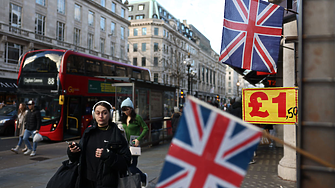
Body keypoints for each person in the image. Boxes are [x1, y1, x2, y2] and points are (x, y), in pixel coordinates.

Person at [67, 101, 131, 188]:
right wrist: (73, 151)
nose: (101, 116)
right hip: (86, 181)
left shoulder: (116, 135)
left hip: (107, 183)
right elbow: (78, 158)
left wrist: (107, 155)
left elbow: (125, 162)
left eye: (104, 113)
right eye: (98, 113)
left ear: (110, 114)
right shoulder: (88, 132)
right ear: (94, 115)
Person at [120, 97, 149, 188]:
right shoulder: (123, 119)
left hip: (134, 145)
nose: (125, 111)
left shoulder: (137, 118)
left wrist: (139, 139)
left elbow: (145, 128)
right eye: (123, 109)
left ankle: (143, 177)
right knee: (127, 165)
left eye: (127, 109)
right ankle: (136, 181)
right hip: (125, 146)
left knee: (132, 166)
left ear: (131, 108)